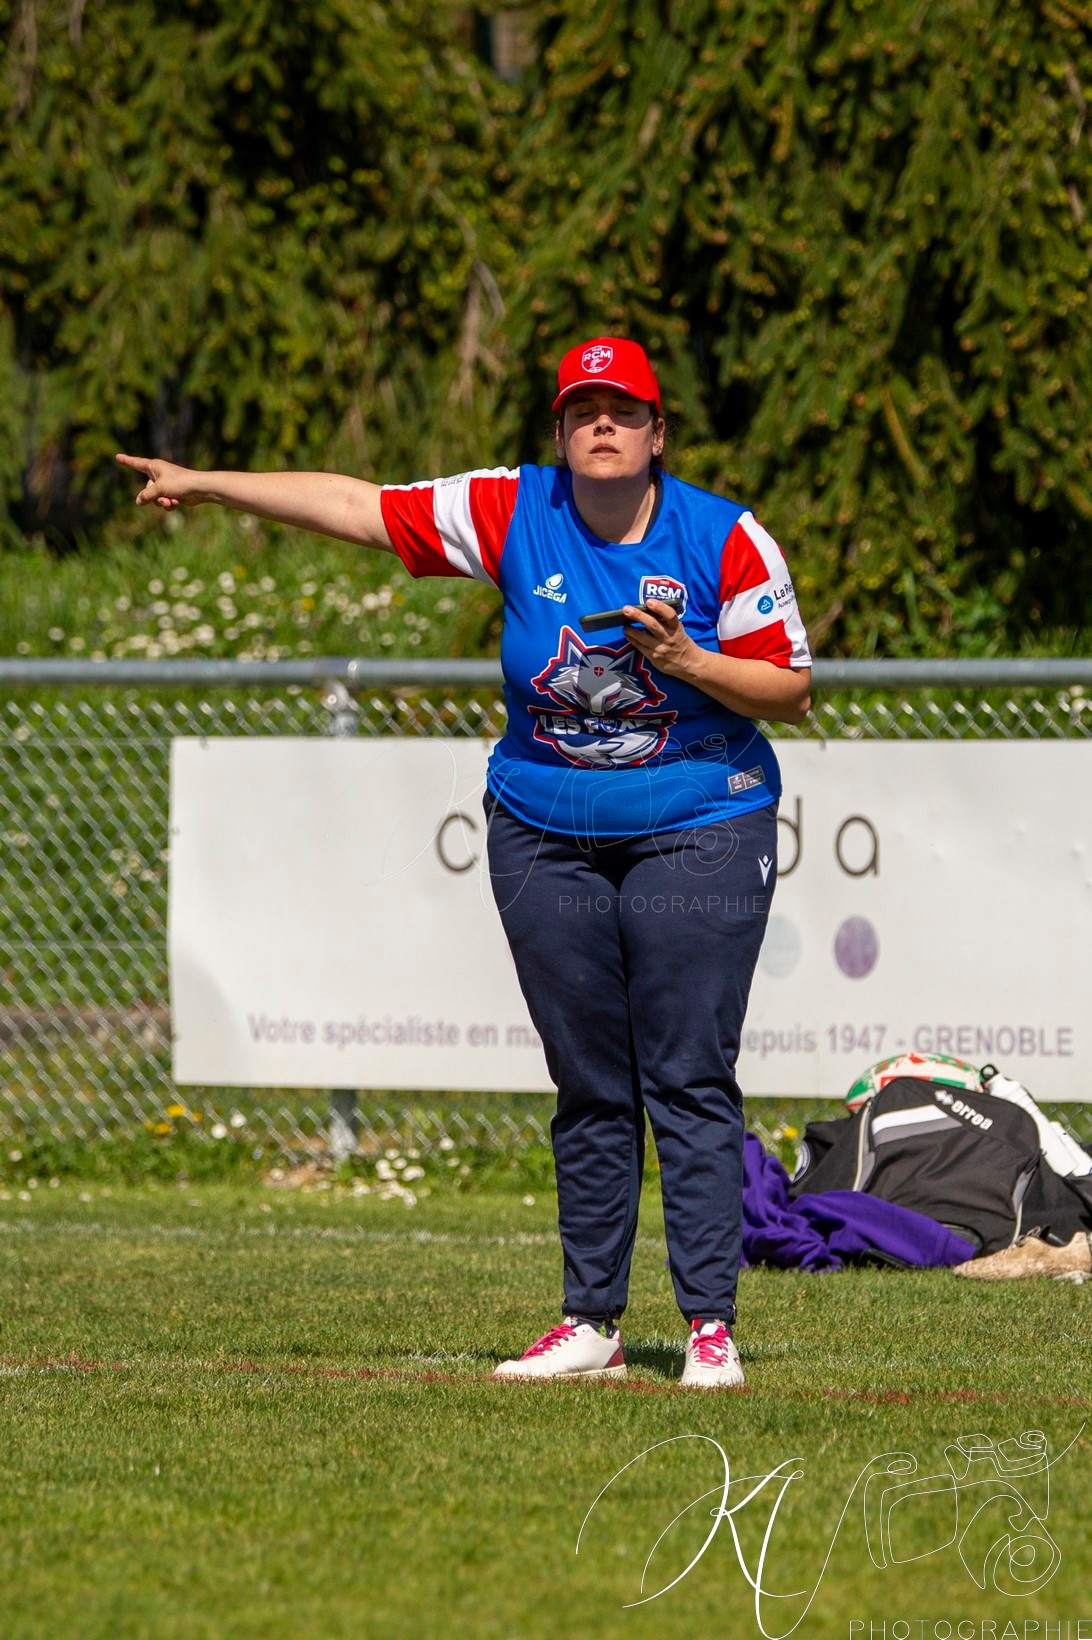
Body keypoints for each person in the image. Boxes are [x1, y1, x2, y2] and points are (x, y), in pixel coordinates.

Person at [117, 334, 812, 1389]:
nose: (604, 424)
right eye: (583, 410)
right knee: (590, 1080)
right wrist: (209, 482)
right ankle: (591, 1323)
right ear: (560, 433)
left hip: (700, 820)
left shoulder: (724, 536)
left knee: (685, 1071)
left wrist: (685, 659)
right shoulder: (511, 509)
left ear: (659, 432)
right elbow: (361, 507)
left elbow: (790, 691)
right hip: (544, 827)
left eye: (624, 409)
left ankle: (709, 1327)